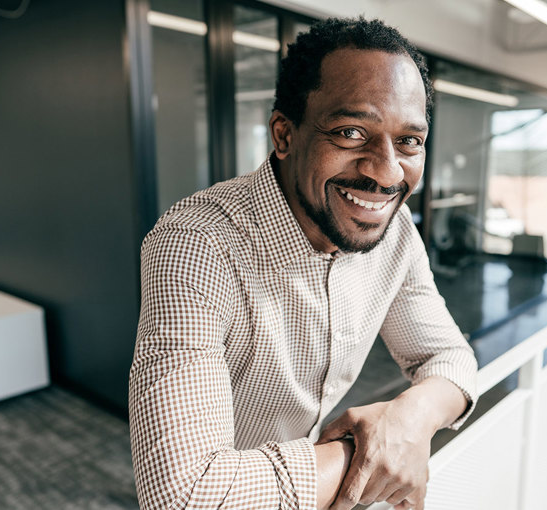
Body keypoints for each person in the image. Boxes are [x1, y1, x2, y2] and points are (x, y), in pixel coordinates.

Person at [129, 17, 478, 510]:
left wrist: (409, 421)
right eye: (351, 132)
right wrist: (367, 451)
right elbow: (187, 496)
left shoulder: (395, 232)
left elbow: (449, 357)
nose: (386, 172)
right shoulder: (197, 245)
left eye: (408, 141)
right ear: (284, 135)